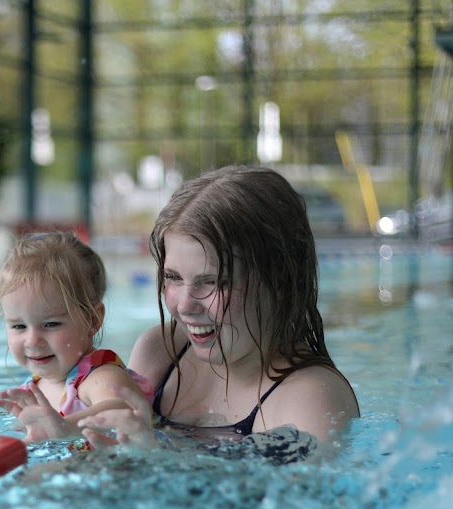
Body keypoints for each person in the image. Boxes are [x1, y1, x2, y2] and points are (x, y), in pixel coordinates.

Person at [79, 165, 360, 453]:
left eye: (212, 282)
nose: (185, 305)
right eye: (173, 277)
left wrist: (151, 457)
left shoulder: (309, 398)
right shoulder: (161, 352)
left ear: (280, 279)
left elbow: (287, 497)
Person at [0, 232, 153, 443]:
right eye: (19, 326)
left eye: (51, 324)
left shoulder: (99, 377)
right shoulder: (33, 390)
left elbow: (121, 407)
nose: (32, 340)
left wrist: (65, 427)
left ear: (93, 320)